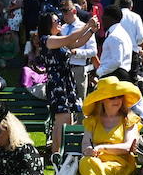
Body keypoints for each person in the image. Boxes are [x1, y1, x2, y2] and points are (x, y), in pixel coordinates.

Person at [76, 77, 141, 175]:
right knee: (88, 162)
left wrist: (103, 148)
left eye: (120, 96)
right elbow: (85, 146)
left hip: (120, 163)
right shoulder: (92, 121)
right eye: (113, 97)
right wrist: (89, 150)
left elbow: (128, 146)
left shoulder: (129, 119)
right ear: (102, 100)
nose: (117, 100)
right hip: (95, 161)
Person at [38, 10, 99, 155]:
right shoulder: (47, 39)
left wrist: (91, 31)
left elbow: (77, 42)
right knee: (62, 120)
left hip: (66, 82)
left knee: (69, 119)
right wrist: (87, 25)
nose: (59, 22)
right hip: (57, 84)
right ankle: (56, 154)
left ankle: (64, 153)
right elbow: (70, 38)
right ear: (48, 24)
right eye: (55, 21)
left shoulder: (60, 40)